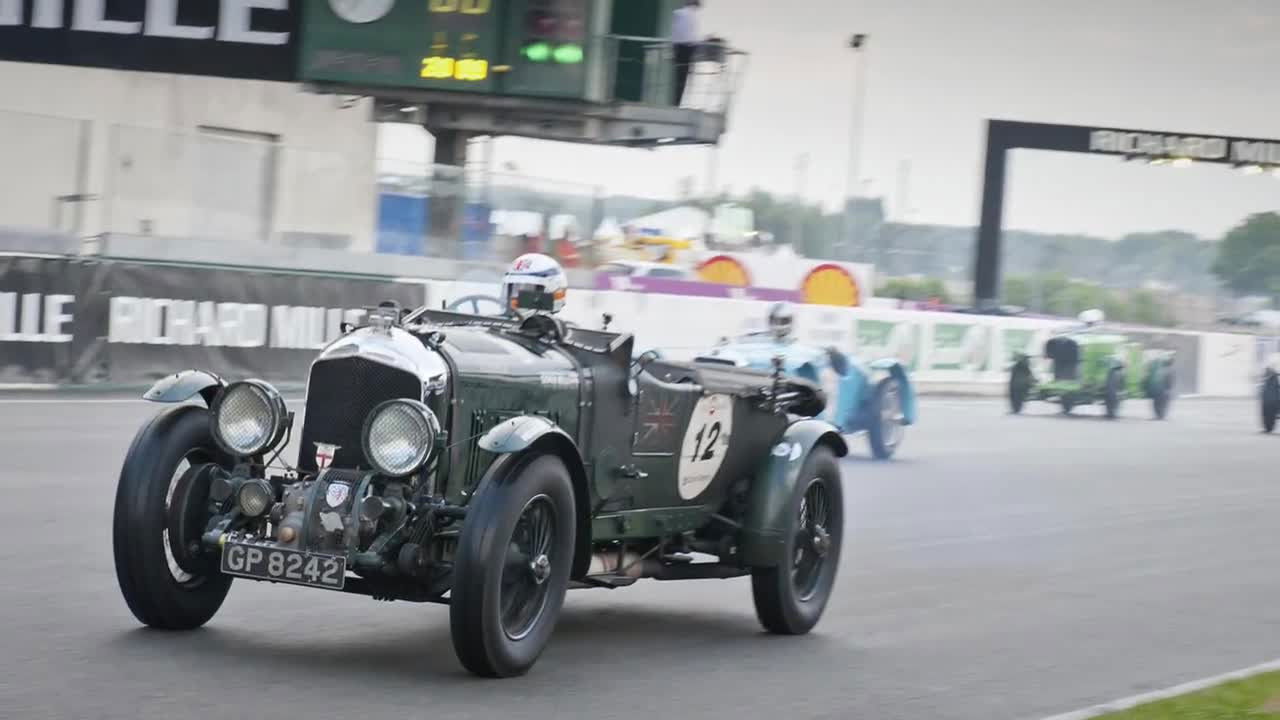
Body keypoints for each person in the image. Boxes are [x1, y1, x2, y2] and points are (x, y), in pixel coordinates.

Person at [502, 253, 568, 316]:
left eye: (527, 289)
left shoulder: (563, 327)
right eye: (513, 290)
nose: (514, 300)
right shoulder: (498, 323)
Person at [671, 0, 701, 106]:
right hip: (687, 48)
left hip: (678, 47)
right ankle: (677, 103)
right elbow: (692, 36)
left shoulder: (677, 13)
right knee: (683, 79)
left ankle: (676, 102)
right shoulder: (692, 15)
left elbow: (675, 32)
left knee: (679, 77)